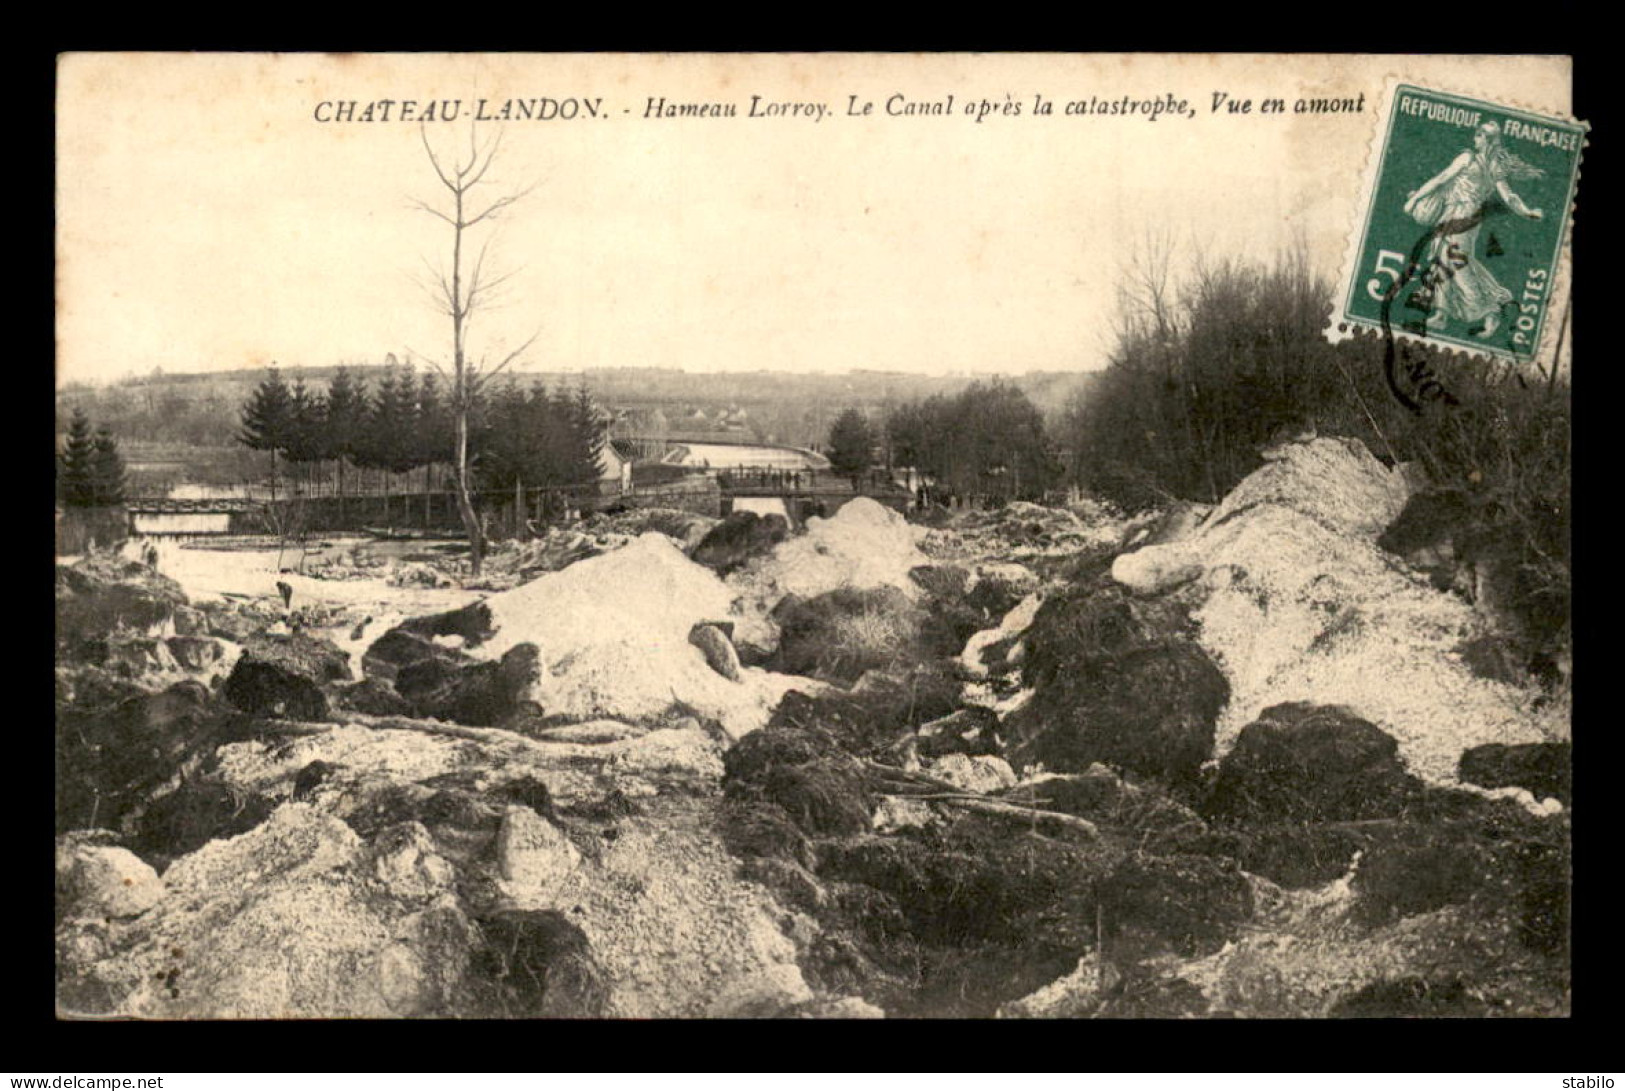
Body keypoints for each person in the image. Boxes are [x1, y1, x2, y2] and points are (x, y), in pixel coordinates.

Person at [1402, 120, 1544, 339]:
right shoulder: (1492, 165)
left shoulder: (1470, 159)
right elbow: (1509, 196)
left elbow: (1440, 180)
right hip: (1458, 216)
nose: (1474, 138)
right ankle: (1442, 314)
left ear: (1487, 139)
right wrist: (1526, 211)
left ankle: (1491, 307)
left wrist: (1414, 201)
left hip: (1463, 217)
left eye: (1478, 135)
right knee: (1446, 260)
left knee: (1458, 263)